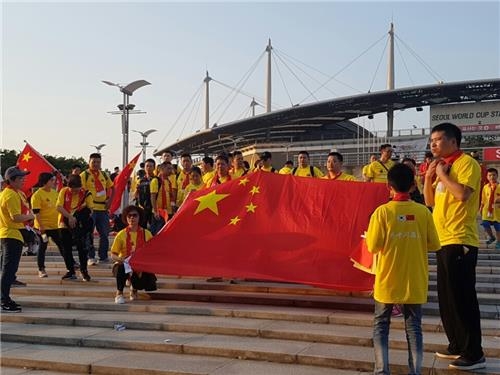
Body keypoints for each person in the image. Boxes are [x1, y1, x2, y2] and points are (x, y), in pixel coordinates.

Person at [366, 163, 440, 375]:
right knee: (414, 327)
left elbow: (372, 246)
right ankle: (414, 372)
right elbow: (434, 244)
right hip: (414, 280)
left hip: (387, 280)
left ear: (389, 186)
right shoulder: (423, 212)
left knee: (381, 325)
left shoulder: (381, 212)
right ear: (413, 186)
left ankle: (382, 370)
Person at [423, 122, 486, 371]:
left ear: (453, 141)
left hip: (461, 239)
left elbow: (462, 195)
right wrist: (429, 178)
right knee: (447, 299)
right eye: (431, 141)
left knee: (463, 298)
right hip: (442, 239)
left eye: (437, 140)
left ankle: (474, 352)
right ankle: (457, 344)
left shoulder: (466, 164)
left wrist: (443, 176)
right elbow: (430, 202)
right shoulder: (440, 167)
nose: (433, 144)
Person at [0, 167, 35, 312]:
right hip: (11, 234)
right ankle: (4, 299)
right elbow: (15, 217)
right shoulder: (10, 195)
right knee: (9, 269)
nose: (23, 180)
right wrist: (31, 216)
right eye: (20, 178)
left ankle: (5, 298)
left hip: (13, 234)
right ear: (12, 180)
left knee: (8, 269)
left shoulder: (15, 193)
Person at [110, 205, 153, 304]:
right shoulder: (121, 234)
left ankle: (134, 289)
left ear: (140, 217)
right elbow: (113, 254)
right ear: (126, 218)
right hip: (124, 264)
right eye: (129, 216)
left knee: (146, 276)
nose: (132, 218)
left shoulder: (147, 234)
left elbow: (151, 252)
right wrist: (121, 259)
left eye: (135, 215)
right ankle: (119, 293)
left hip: (140, 265)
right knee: (121, 267)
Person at [57, 174, 94, 281]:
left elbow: (90, 210)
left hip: (80, 226)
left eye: (76, 190)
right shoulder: (63, 191)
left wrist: (77, 218)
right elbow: (59, 206)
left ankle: (84, 270)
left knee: (82, 248)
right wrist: (69, 217)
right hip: (64, 223)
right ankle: (70, 270)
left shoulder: (86, 193)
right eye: (72, 190)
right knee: (66, 249)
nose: (74, 192)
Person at [80, 153, 114, 265]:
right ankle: (91, 256)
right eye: (93, 162)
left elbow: (112, 188)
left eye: (98, 162)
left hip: (103, 208)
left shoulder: (104, 174)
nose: (96, 164)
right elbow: (81, 192)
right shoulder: (84, 175)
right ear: (89, 162)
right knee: (89, 233)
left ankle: (103, 256)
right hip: (91, 208)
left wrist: (110, 201)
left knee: (104, 234)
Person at [31, 172, 66, 278]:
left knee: (62, 246)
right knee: (43, 247)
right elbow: (36, 212)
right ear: (45, 182)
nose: (53, 182)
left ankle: (71, 263)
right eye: (51, 180)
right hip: (43, 228)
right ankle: (41, 269)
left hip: (55, 226)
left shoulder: (55, 193)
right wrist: (41, 226)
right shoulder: (37, 195)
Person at [479, 168, 500, 249]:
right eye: (490, 175)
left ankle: (498, 242)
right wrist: (481, 207)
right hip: (486, 210)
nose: (492, 177)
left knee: (497, 227)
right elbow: (483, 199)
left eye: (494, 175)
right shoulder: (485, 187)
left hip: (497, 211)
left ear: (497, 176)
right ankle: (491, 237)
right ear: (487, 177)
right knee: (485, 224)